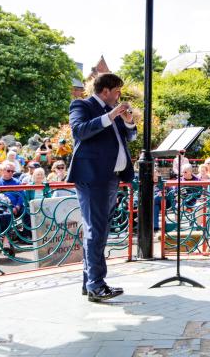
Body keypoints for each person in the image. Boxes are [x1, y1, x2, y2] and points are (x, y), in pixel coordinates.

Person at [67, 73, 137, 302]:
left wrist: (127, 121)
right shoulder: (82, 105)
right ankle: (97, 284)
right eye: (117, 91)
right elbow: (79, 131)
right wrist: (110, 115)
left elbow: (130, 137)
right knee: (96, 231)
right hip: (92, 177)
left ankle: (89, 283)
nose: (119, 97)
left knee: (98, 230)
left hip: (111, 177)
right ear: (105, 90)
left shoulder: (113, 111)